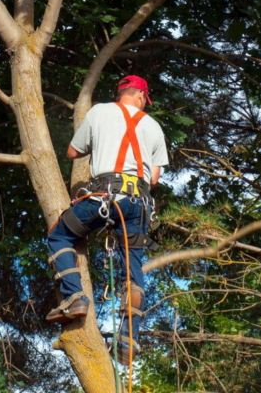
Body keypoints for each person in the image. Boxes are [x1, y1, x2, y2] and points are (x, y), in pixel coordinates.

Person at [46, 75, 169, 366]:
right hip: (138, 204)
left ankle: (75, 298)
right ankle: (127, 342)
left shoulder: (99, 111)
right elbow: (153, 178)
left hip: (104, 196)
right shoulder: (153, 126)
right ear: (141, 96)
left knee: (60, 236)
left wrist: (101, 144)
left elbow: (73, 152)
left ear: (122, 92)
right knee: (132, 271)